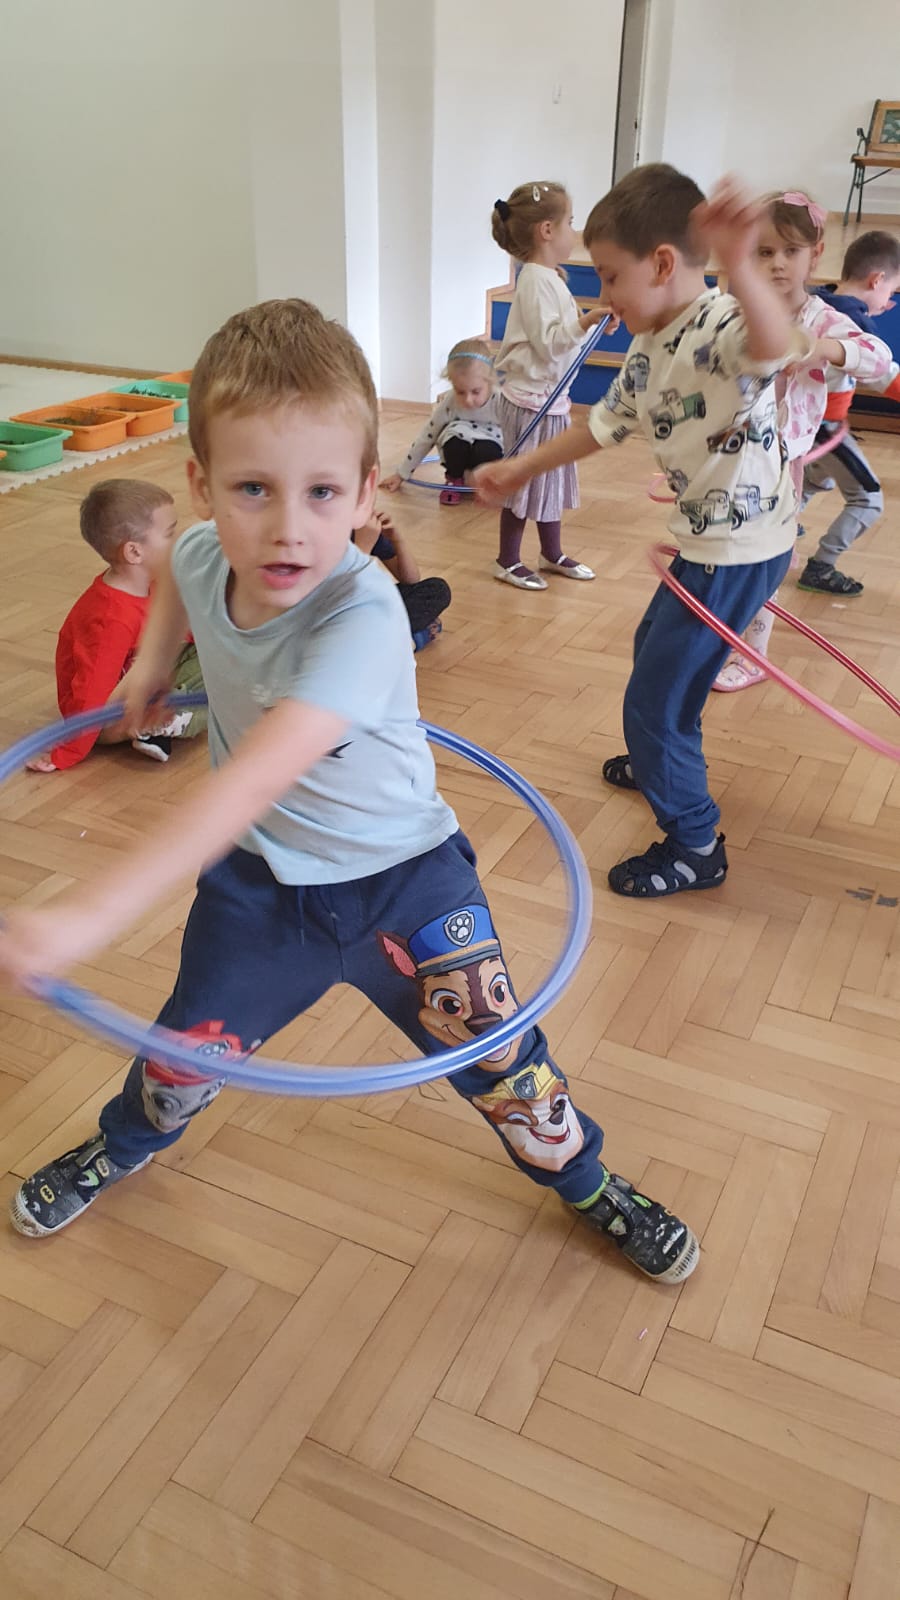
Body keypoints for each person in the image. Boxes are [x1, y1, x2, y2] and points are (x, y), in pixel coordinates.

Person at [1, 298, 698, 1286]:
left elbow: (250, 779)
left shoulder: (362, 617)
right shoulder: (198, 550)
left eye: (323, 491)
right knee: (183, 1051)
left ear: (368, 491)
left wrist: (84, 917)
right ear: (200, 486)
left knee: (506, 1064)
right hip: (260, 894)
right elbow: (179, 577)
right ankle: (122, 1146)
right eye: (252, 488)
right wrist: (150, 668)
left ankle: (587, 1181)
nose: (289, 529)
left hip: (408, 886)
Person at [475, 164, 819, 898]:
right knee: (653, 656)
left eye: (609, 277)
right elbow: (602, 427)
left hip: (739, 548)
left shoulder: (721, 323)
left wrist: (737, 261)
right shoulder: (648, 343)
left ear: (663, 264)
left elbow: (774, 343)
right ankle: (662, 754)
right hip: (704, 541)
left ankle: (694, 844)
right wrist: (518, 468)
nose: (604, 295)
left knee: (654, 699)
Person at [713, 194, 892, 690]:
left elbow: (879, 358)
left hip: (779, 464)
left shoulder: (821, 318)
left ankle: (753, 655)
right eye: (764, 252)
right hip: (727, 460)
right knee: (724, 554)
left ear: (815, 255)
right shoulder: (735, 312)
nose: (777, 263)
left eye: (790, 251)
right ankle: (714, 638)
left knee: (762, 561)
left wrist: (823, 349)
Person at [27, 479, 206, 770]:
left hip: (138, 690)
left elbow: (184, 631)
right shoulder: (111, 619)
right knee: (220, 700)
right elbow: (91, 692)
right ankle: (164, 722)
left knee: (219, 654)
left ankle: (162, 722)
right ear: (134, 552)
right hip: (104, 719)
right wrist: (68, 752)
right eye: (169, 534)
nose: (177, 541)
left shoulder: (150, 585)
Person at [489, 181, 612, 589]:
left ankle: (551, 552)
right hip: (529, 402)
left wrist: (590, 325)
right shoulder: (535, 281)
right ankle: (507, 559)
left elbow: (564, 336)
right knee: (522, 482)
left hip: (550, 400)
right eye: (569, 222)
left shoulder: (548, 278)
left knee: (551, 480)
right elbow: (550, 343)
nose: (573, 231)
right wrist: (586, 321)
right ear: (546, 230)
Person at [798, 229, 900, 595]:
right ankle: (821, 567)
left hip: (812, 424)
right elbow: (885, 376)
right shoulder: (851, 324)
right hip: (822, 427)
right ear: (876, 280)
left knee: (816, 479)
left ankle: (779, 522)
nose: (889, 301)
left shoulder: (822, 301)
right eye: (892, 291)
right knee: (868, 499)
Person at [380, 338, 503, 506]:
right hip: (459, 449)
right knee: (454, 442)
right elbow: (428, 435)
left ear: (489, 381)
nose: (468, 400)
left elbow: (516, 437)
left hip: (488, 452)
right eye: (460, 392)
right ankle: (454, 479)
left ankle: (484, 483)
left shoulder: (501, 401)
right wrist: (401, 474)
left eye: (475, 391)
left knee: (487, 449)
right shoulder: (450, 401)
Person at [354, 508, 451, 651]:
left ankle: (388, 639)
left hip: (367, 610)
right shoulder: (325, 533)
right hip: (336, 610)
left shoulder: (360, 527)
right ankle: (404, 639)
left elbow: (410, 580)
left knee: (437, 589)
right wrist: (362, 548)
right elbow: (339, 592)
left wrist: (396, 539)